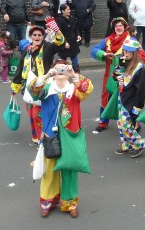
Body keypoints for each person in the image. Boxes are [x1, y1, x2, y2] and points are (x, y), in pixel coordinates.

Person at [28, 59, 93, 217]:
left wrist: (74, 75)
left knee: (70, 170)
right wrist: (47, 75)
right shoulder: (46, 88)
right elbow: (32, 89)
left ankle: (70, 203)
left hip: (70, 135)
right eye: (57, 68)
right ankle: (47, 202)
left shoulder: (74, 89)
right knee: (49, 170)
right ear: (53, 71)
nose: (61, 71)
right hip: (50, 135)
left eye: (64, 68)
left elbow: (88, 89)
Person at [10, 18, 66, 146]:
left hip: (44, 87)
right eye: (34, 35)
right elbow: (20, 69)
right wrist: (15, 88)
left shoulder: (48, 47)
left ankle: (44, 139)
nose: (37, 37)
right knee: (31, 114)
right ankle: (36, 138)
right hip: (28, 87)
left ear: (42, 37)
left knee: (38, 115)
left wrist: (57, 31)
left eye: (39, 35)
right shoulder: (27, 51)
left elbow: (60, 44)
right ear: (31, 37)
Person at [91, 17, 131, 132]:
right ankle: (103, 122)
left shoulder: (130, 40)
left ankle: (133, 123)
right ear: (114, 28)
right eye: (117, 26)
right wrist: (104, 54)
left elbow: (141, 55)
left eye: (121, 26)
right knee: (106, 98)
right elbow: (94, 50)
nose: (119, 27)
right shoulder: (107, 40)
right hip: (109, 76)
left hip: (126, 75)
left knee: (127, 99)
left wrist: (128, 58)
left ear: (124, 27)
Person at [114, 38, 145, 158]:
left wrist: (137, 107)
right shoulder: (124, 62)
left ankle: (139, 145)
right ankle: (126, 146)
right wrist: (119, 69)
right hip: (122, 97)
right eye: (124, 51)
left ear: (135, 53)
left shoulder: (140, 69)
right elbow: (116, 76)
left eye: (128, 52)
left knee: (126, 125)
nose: (125, 54)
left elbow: (141, 90)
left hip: (131, 101)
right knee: (120, 123)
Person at [56, 4, 81, 73]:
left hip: (73, 43)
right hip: (64, 44)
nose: (69, 11)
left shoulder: (72, 18)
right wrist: (64, 42)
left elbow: (76, 28)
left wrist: (78, 35)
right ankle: (61, 75)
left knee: (75, 61)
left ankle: (77, 75)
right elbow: (59, 33)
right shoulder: (59, 20)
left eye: (69, 9)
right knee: (62, 62)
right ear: (63, 11)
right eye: (67, 9)